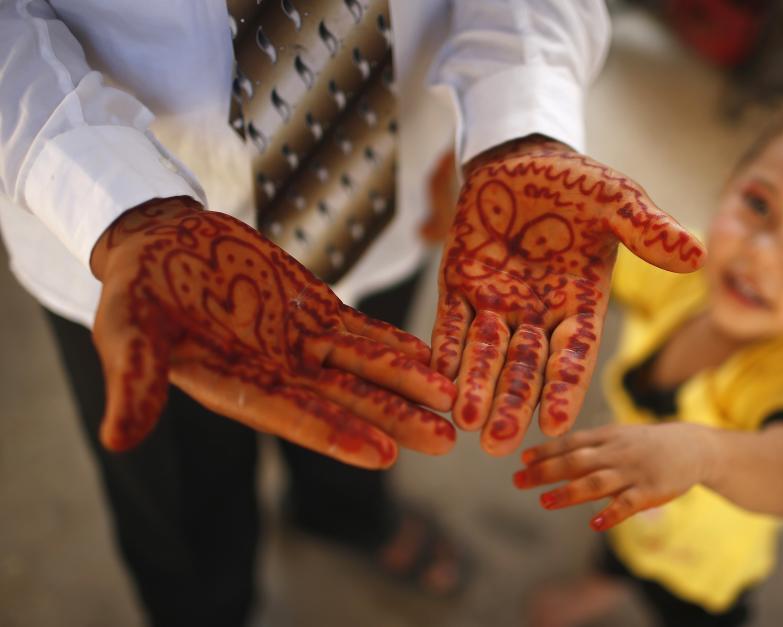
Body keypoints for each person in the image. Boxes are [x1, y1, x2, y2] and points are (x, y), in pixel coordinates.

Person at [2, 1, 704, 624]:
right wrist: (120, 204)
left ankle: (343, 512)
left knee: (374, 399)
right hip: (136, 253)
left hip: (389, 186)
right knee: (182, 500)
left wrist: (522, 121)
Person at [515, 88, 783, 627]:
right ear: (729, 183)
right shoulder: (691, 267)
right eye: (757, 205)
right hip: (632, 508)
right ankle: (603, 584)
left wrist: (705, 453)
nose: (761, 253)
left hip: (702, 567)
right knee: (616, 546)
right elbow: (595, 257)